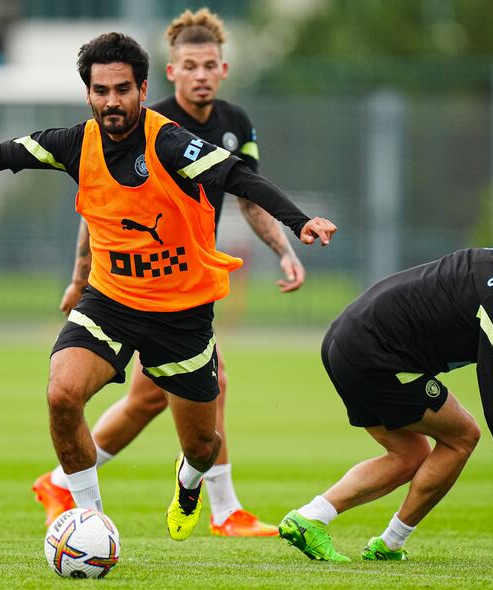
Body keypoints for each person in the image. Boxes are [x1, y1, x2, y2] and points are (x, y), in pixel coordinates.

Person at [0, 31, 336, 543]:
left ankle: (190, 483)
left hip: (182, 311)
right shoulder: (73, 142)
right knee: (63, 395)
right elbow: (1, 150)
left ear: (142, 88)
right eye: (101, 90)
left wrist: (299, 222)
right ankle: (90, 519)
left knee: (202, 445)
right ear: (88, 93)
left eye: (122, 89)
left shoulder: (170, 140)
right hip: (109, 302)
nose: (111, 101)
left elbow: (240, 178)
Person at [31, 8, 303, 537]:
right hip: (143, 291)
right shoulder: (139, 118)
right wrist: (80, 277)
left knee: (151, 399)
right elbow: (100, 212)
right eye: (190, 65)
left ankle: (64, 482)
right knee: (206, 383)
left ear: (223, 70)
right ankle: (223, 510)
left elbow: (247, 196)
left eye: (210, 65)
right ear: (171, 73)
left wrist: (284, 248)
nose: (201, 74)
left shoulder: (236, 122)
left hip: (187, 284)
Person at [277, 223, 493, 562]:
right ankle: (388, 544)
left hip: (344, 340)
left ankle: (310, 519)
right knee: (463, 436)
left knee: (408, 455)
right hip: (376, 356)